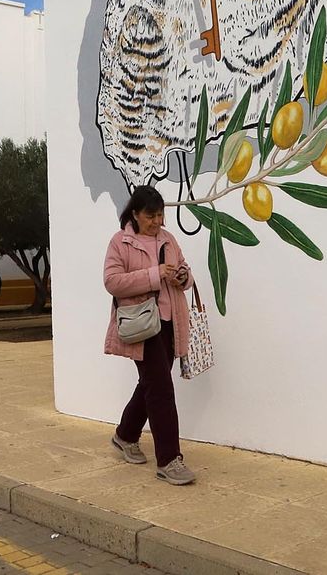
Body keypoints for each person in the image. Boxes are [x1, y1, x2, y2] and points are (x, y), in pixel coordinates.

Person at [103, 185, 197, 486]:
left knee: (151, 384)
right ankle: (169, 460)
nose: (156, 222)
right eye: (150, 216)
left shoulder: (169, 239)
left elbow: (184, 271)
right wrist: (156, 274)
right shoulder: (121, 242)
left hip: (169, 321)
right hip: (141, 324)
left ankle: (126, 435)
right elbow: (113, 282)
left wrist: (183, 277)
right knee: (161, 389)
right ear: (135, 213)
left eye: (160, 215)